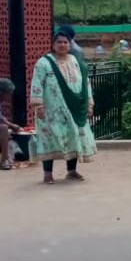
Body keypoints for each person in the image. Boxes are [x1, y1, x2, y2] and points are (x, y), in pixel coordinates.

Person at [30, 30, 96, 184]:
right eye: (59, 42)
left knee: (73, 136)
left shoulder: (75, 61)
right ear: (53, 44)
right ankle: (48, 174)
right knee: (50, 139)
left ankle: (71, 171)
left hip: (73, 109)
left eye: (65, 42)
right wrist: (39, 105)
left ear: (70, 44)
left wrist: (89, 104)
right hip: (51, 110)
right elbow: (37, 83)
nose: (62, 45)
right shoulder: (44, 63)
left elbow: (86, 84)